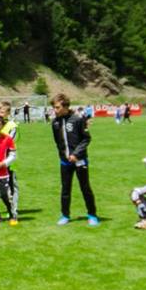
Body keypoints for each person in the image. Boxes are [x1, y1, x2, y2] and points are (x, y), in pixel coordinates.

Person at [49, 93, 99, 226]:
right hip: (65, 162)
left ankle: (92, 215)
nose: (55, 110)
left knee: (85, 188)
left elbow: (86, 138)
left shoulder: (77, 119)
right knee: (65, 189)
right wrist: (63, 155)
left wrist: (76, 154)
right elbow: (58, 142)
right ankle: (65, 215)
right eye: (54, 107)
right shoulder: (55, 123)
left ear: (65, 106)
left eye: (57, 107)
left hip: (80, 160)